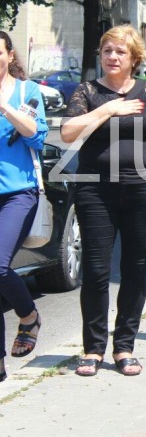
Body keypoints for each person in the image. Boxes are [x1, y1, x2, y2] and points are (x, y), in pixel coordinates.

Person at [61, 25, 146, 376]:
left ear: (134, 58)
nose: (113, 57)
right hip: (96, 191)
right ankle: (93, 348)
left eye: (120, 52)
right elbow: (68, 132)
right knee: (97, 271)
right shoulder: (88, 92)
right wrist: (108, 110)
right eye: (107, 51)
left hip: (143, 190)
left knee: (135, 271)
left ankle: (125, 346)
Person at [0, 32, 49, 383]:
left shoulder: (25, 92)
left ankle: (29, 315)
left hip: (19, 193)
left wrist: (4, 107)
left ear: (8, 54)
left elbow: (36, 135)